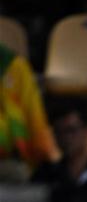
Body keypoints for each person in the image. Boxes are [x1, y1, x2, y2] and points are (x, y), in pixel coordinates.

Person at [0, 44, 58, 181]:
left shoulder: (14, 67)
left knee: (19, 174)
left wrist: (49, 161)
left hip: (8, 162)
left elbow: (35, 119)